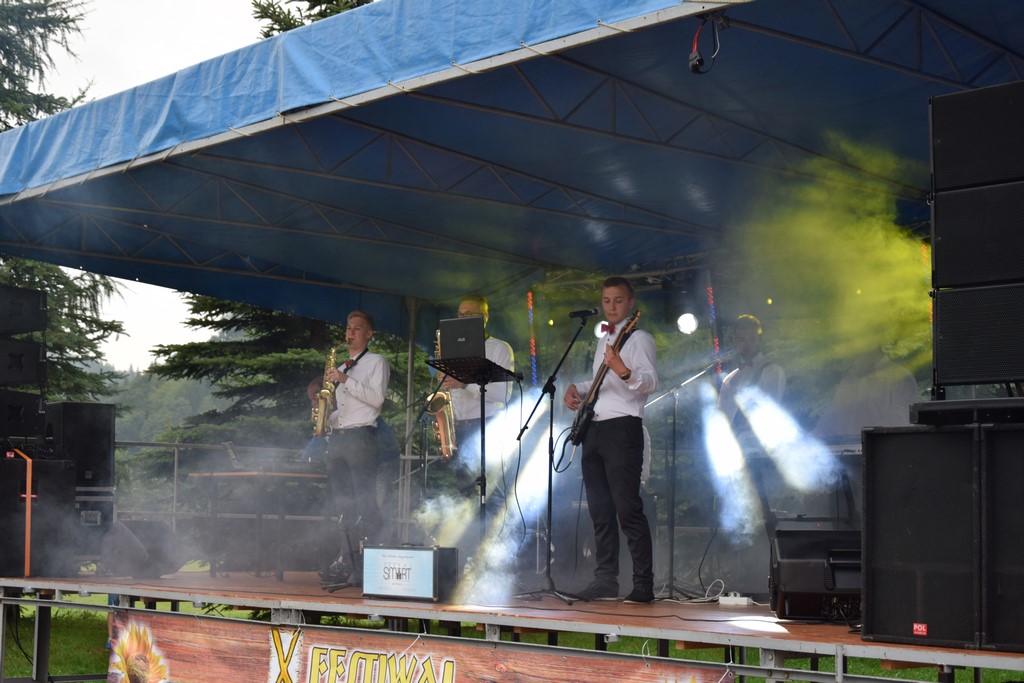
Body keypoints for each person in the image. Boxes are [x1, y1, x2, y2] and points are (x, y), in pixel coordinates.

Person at [563, 277, 658, 603]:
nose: (612, 306)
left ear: (630, 303)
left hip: (623, 429)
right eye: (606, 300)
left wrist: (623, 370)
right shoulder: (605, 338)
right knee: (600, 510)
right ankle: (605, 579)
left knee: (627, 508)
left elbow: (651, 382)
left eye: (618, 300)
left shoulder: (639, 338)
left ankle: (643, 583)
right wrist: (577, 387)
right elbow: (599, 384)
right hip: (595, 428)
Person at [319, 310, 391, 588]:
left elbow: (376, 400)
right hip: (340, 438)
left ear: (369, 334)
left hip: (362, 438)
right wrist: (327, 417)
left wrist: (345, 380)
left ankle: (372, 562)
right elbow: (346, 411)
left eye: (357, 328)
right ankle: (346, 561)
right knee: (343, 503)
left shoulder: (376, 362)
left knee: (365, 502)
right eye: (348, 328)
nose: (350, 332)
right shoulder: (343, 366)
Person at [440, 294, 514, 497]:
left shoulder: (499, 348)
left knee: (491, 493)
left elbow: (503, 394)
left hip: (487, 427)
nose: (462, 319)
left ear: (484, 317)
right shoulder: (454, 349)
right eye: (460, 315)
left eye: (469, 315)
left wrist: (465, 384)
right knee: (465, 494)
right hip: (459, 427)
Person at [717, 314, 786, 436]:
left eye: (752, 338)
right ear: (734, 341)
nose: (746, 343)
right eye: (741, 338)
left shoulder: (772, 371)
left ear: (760, 339)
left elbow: (771, 414)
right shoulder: (729, 380)